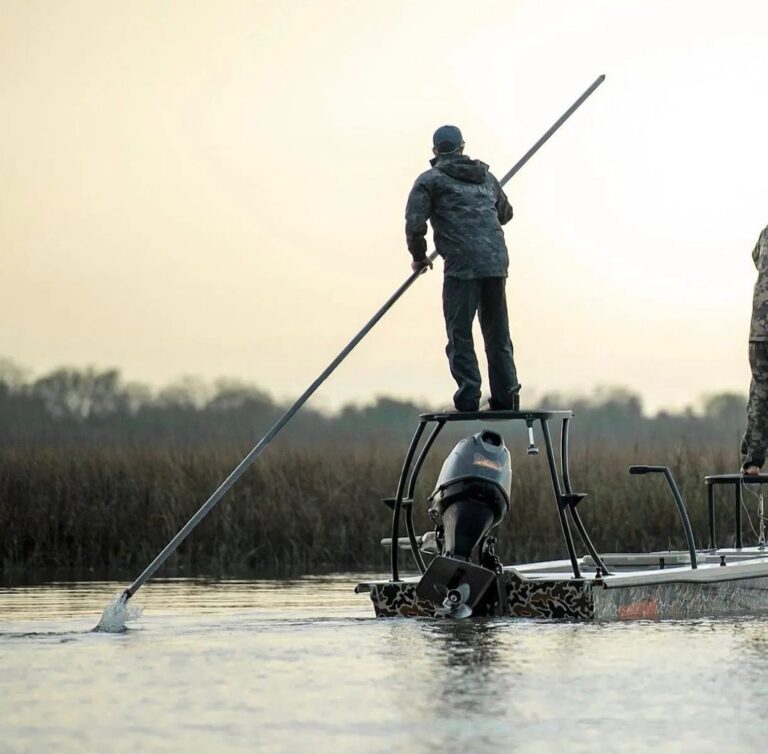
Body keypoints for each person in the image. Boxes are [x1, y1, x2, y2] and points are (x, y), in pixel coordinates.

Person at [405, 124, 521, 412]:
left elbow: (415, 225)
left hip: (461, 266)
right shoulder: (487, 177)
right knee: (497, 334)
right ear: (462, 147)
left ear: (435, 151)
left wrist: (419, 258)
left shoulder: (429, 181)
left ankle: (469, 397)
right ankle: (506, 398)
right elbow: (505, 214)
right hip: (495, 262)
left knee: (460, 333)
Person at [743, 225, 768, 474]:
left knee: (760, 391)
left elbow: (756, 257)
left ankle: (752, 461)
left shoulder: (766, 232)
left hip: (759, 331)